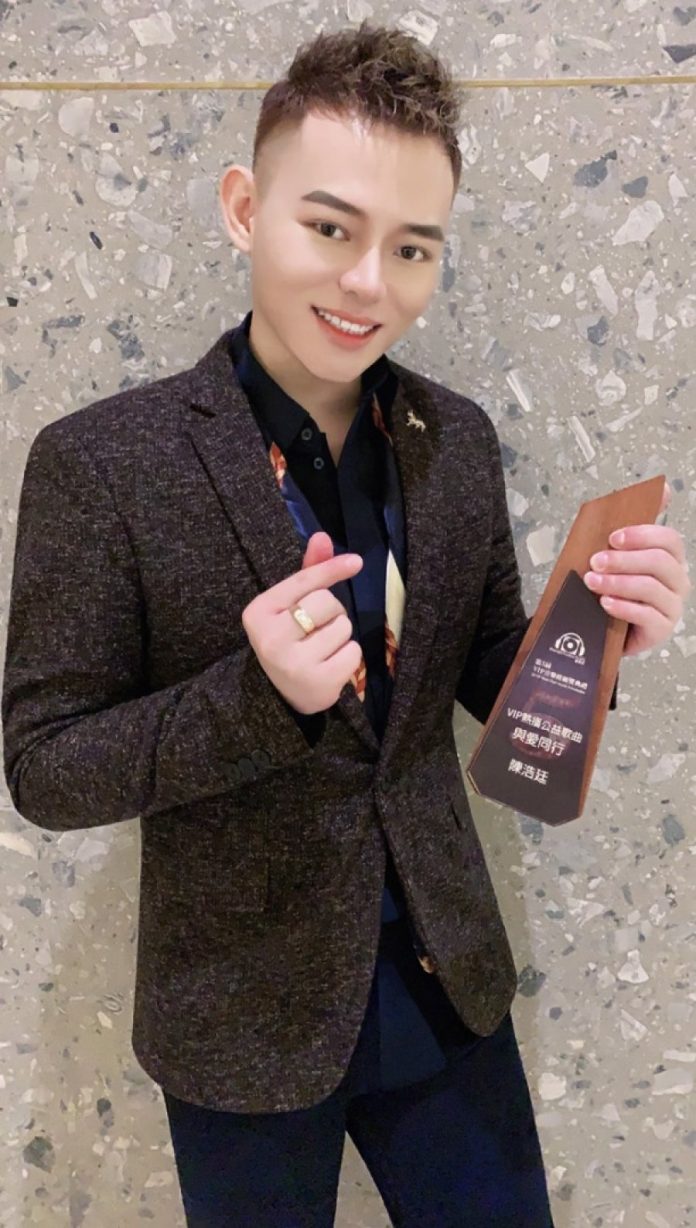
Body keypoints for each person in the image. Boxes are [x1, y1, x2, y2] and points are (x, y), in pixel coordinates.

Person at [2, 21, 689, 1228]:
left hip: (446, 983)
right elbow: (45, 766)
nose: (371, 282)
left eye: (413, 247)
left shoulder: (455, 440)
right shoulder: (101, 464)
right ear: (244, 209)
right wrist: (253, 697)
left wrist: (595, 638)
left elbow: (485, 670)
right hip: (240, 1021)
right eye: (330, 228)